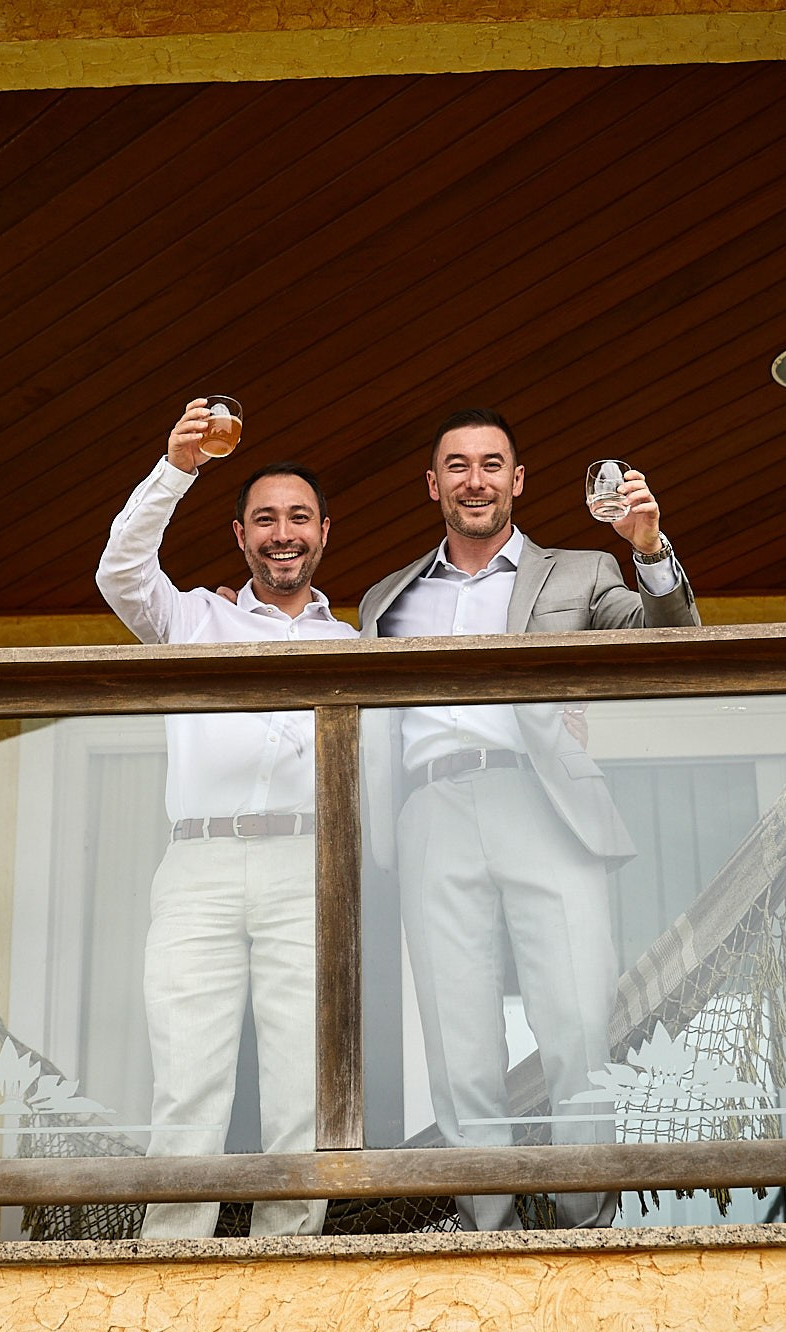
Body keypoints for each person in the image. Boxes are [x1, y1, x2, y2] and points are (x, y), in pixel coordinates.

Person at [358, 407, 697, 1232]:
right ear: (434, 484)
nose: (476, 479)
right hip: (429, 809)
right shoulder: (384, 599)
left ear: (518, 480)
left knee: (577, 1023)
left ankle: (586, 1221)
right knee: (458, 1038)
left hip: (543, 801)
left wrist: (647, 548)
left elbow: (671, 640)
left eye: (492, 463)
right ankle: (489, 1230)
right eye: (458, 465)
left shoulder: (578, 574)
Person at [95, 398, 356, 1240]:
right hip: (198, 865)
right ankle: (171, 1257)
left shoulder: (354, 648)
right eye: (266, 520)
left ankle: (291, 1254)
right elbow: (119, 570)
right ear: (239, 535)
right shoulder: (191, 617)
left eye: (300, 519)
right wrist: (178, 468)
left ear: (325, 532)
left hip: (309, 866)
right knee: (187, 1077)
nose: (284, 533)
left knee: (302, 1083)